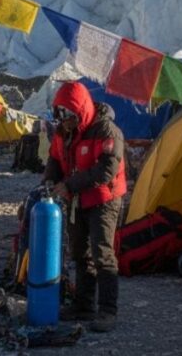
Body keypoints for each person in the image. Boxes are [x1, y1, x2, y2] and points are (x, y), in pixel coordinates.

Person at [43, 81, 126, 333]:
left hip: (104, 197)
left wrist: (69, 185)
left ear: (79, 110)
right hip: (77, 198)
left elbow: (106, 170)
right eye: (59, 114)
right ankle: (84, 304)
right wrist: (49, 181)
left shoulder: (106, 131)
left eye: (67, 114)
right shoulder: (63, 133)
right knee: (79, 250)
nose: (63, 120)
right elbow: (55, 159)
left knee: (102, 251)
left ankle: (108, 311)